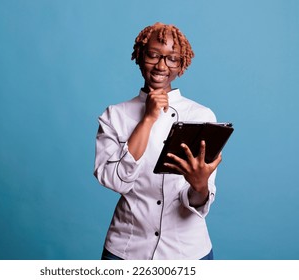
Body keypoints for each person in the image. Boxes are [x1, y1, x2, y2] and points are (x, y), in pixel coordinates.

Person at [93, 22, 222, 260]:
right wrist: (148, 119)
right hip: (126, 250)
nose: (162, 66)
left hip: (187, 253)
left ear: (181, 64)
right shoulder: (115, 116)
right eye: (153, 55)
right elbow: (115, 181)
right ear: (140, 56)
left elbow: (197, 201)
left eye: (172, 59)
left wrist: (199, 185)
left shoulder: (202, 117)